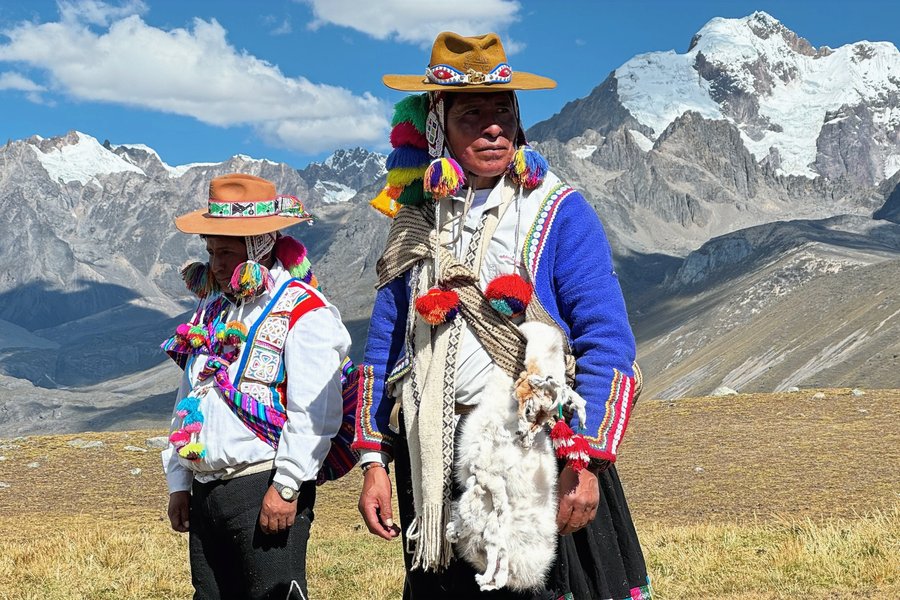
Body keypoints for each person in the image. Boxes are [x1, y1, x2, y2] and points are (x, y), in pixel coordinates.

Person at [354, 32, 652, 599]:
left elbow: (607, 342)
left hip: (541, 456)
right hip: (434, 456)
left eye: (502, 112)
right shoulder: (416, 222)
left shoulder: (559, 212)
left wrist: (585, 459)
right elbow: (384, 347)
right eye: (472, 116)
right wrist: (374, 457)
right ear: (438, 125)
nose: (492, 128)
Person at [161, 173, 352, 600]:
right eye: (211, 251)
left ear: (261, 245)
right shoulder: (210, 312)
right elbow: (189, 396)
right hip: (205, 490)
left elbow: (316, 411)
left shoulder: (303, 310)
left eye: (227, 251)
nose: (216, 263)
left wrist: (286, 487)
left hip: (262, 485)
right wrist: (179, 481)